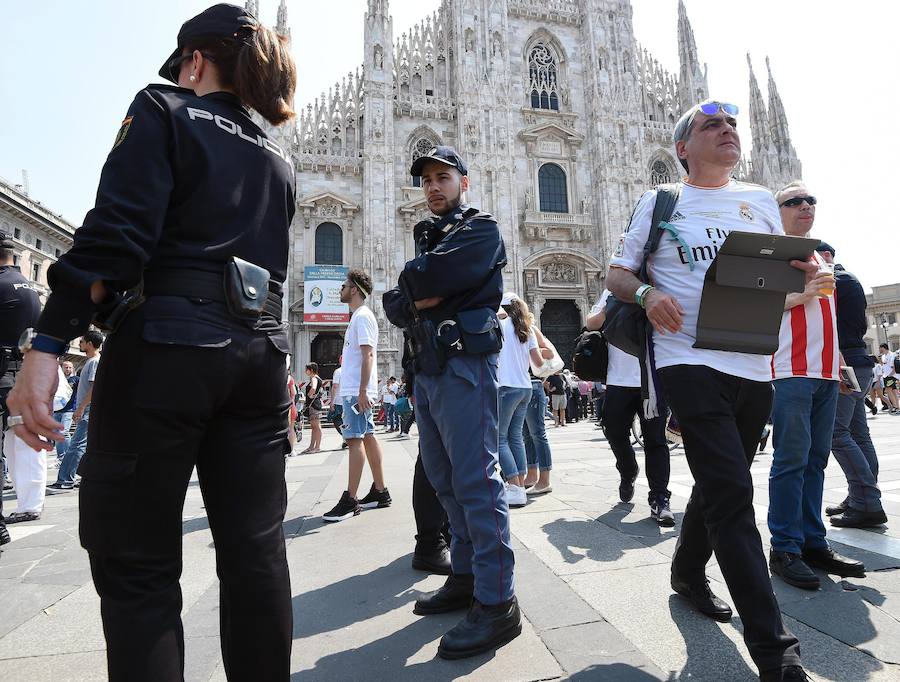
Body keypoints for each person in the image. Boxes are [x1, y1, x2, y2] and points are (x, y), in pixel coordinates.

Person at [6, 6, 298, 679]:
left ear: (193, 61)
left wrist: (48, 344)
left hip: (169, 348)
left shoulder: (165, 110)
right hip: (258, 359)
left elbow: (117, 237)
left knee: (138, 566)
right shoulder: (279, 159)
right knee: (256, 556)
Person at [607, 100, 808, 681]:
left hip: (751, 363)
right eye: (710, 126)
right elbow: (619, 273)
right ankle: (776, 651)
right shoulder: (662, 201)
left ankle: (687, 571)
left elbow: (777, 286)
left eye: (732, 125)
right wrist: (647, 296)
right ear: (682, 148)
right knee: (733, 494)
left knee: (723, 482)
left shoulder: (763, 203)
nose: (727, 131)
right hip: (686, 360)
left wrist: (808, 285)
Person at [383, 145, 519, 659]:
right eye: (426, 181)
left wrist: (419, 285)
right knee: (442, 478)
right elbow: (398, 303)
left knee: (476, 479)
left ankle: (498, 599)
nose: (434, 187)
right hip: (428, 367)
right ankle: (465, 575)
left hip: (465, 365)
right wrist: (418, 289)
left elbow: (420, 281)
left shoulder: (480, 229)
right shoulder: (430, 237)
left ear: (464, 181)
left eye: (443, 177)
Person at [767, 184, 865, 590]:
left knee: (816, 459)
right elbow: (750, 305)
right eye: (794, 201)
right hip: (790, 369)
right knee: (791, 460)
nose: (805, 206)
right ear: (777, 211)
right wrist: (803, 292)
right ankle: (784, 547)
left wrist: (840, 364)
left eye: (810, 201)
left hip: (825, 372)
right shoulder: (769, 253)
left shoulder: (820, 256)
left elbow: (828, 318)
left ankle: (812, 541)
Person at [587, 289, 674, 527]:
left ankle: (659, 497)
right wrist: (611, 307)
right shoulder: (612, 291)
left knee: (656, 440)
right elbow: (591, 324)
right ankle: (628, 469)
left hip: (653, 380)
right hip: (619, 379)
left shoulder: (661, 287)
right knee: (614, 432)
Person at [819, 243, 888, 529]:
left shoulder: (834, 279)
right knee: (859, 433)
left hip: (846, 362)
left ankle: (866, 501)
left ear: (825, 256)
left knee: (837, 432)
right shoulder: (850, 278)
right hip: (859, 360)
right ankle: (859, 495)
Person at [322, 268, 392, 522]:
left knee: (354, 440)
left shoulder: (362, 316)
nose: (340, 289)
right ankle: (380, 491)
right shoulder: (358, 317)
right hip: (357, 389)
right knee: (369, 437)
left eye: (344, 286)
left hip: (355, 391)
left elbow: (368, 355)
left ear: (354, 290)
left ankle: (350, 500)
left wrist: (362, 390)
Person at [0, 231, 41, 540]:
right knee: (23, 443)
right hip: (24, 373)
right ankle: (30, 502)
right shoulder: (29, 287)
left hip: (3, 375)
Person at [496, 293, 544, 507]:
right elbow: (538, 362)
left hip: (506, 387)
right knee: (515, 436)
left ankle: (514, 486)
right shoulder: (527, 329)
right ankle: (519, 486)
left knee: (500, 439)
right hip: (525, 387)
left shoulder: (500, 324)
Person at [49, 331, 103, 490]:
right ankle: (83, 476)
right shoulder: (91, 361)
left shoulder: (94, 362)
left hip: (87, 409)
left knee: (76, 445)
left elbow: (94, 388)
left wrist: (80, 408)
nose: (79, 344)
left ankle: (66, 479)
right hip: (87, 408)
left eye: (82, 342)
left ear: (90, 344)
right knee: (84, 445)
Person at [522, 326, 557, 495]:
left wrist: (528, 351)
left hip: (534, 384)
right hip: (521, 386)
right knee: (527, 435)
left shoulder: (528, 327)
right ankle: (531, 475)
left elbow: (548, 352)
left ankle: (544, 480)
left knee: (537, 434)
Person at [53, 361, 78, 463]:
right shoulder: (57, 380)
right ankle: (61, 457)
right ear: (62, 368)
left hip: (69, 410)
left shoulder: (75, 380)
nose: (68, 369)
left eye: (70, 367)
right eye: (66, 367)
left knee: (64, 432)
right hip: (57, 410)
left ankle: (69, 456)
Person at [300, 362, 323, 454]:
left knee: (316, 426)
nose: (306, 371)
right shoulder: (317, 378)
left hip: (314, 405)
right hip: (315, 405)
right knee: (314, 427)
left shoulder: (314, 378)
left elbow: (313, 388)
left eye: (307, 369)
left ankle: (316, 447)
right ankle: (312, 446)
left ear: (311, 370)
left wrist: (309, 395)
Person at [328, 358, 348, 450]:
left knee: (337, 420)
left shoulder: (338, 371)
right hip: (350, 400)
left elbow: (335, 386)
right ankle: (346, 439)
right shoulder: (352, 371)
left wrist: (332, 401)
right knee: (347, 421)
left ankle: (346, 438)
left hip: (339, 400)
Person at [879, 343, 899, 413]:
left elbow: (893, 366)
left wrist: (890, 375)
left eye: (880, 348)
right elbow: (884, 366)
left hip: (891, 376)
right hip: (886, 375)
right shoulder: (883, 356)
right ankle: (897, 407)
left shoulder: (891, 355)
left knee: (889, 390)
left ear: (883, 348)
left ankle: (895, 407)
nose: (879, 349)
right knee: (893, 391)